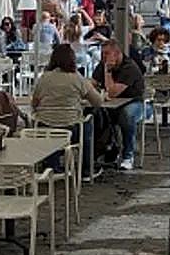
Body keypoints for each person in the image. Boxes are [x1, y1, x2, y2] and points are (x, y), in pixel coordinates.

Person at [33, 44, 103, 173]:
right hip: (70, 129)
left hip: (45, 127)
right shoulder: (77, 78)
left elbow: (35, 103)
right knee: (88, 124)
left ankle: (51, 165)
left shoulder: (44, 78)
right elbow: (98, 102)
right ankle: (86, 169)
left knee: (51, 129)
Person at [93, 39, 145, 171]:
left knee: (126, 116)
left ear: (117, 54)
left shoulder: (129, 67)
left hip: (135, 102)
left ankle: (128, 155)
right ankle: (105, 149)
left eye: (106, 54)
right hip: (112, 105)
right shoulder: (102, 64)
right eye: (102, 54)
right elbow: (92, 83)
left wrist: (108, 71)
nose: (103, 57)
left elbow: (112, 92)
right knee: (93, 113)